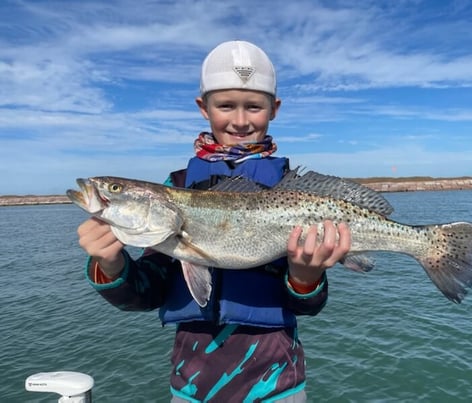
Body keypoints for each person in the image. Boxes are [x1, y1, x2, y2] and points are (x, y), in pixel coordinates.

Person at [77, 40, 351, 402]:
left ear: (274, 108)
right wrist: (111, 266)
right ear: (203, 108)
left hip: (278, 385)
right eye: (225, 106)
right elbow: (145, 294)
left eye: (253, 106)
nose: (239, 120)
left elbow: (309, 306)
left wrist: (306, 279)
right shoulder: (175, 187)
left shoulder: (291, 190)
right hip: (192, 387)